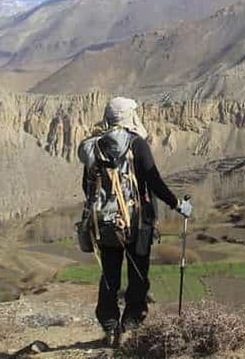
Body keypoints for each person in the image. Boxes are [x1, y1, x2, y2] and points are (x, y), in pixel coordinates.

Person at [78, 97, 193, 347]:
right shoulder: (136, 144)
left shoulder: (96, 147)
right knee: (138, 275)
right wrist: (178, 205)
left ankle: (110, 327)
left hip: (105, 224)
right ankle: (130, 325)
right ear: (129, 117)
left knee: (109, 275)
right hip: (137, 223)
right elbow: (155, 182)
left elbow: (87, 185)